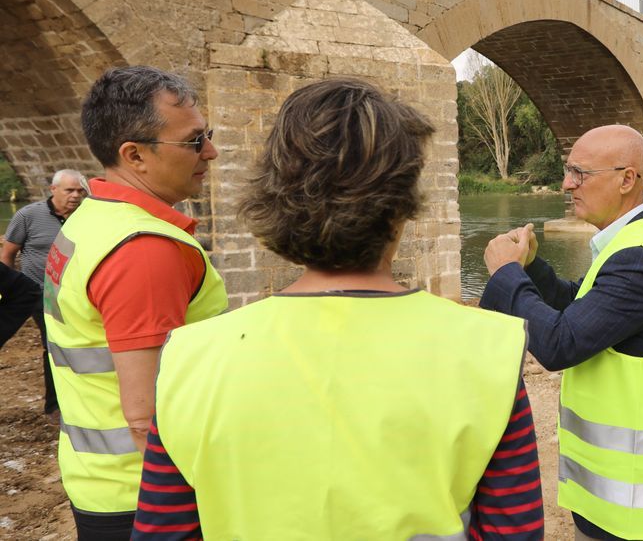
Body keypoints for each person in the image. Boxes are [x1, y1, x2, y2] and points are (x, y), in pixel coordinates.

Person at [131, 78, 544, 540]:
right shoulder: (489, 350)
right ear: (403, 205)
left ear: (276, 201)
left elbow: (163, 531)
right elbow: (515, 531)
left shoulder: (190, 358)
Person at [480, 124, 643, 541]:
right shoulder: (631, 242)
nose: (566, 184)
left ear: (626, 179)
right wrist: (530, 267)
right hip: (612, 490)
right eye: (568, 171)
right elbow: (577, 305)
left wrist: (506, 276)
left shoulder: (638, 259)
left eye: (580, 173)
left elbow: (561, 343)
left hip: (628, 498)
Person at [44, 66, 228, 541]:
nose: (211, 151)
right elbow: (148, 418)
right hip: (148, 496)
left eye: (207, 135)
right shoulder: (143, 249)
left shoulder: (93, 219)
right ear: (134, 155)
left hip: (100, 479)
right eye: (193, 141)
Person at [0, 168, 88, 416]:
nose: (75, 196)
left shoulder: (87, 216)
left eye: (80, 191)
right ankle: (55, 405)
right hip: (39, 292)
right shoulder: (28, 215)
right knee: (54, 343)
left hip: (78, 294)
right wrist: (11, 291)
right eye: (69, 190)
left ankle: (79, 397)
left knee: (80, 345)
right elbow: (7, 254)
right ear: (53, 190)